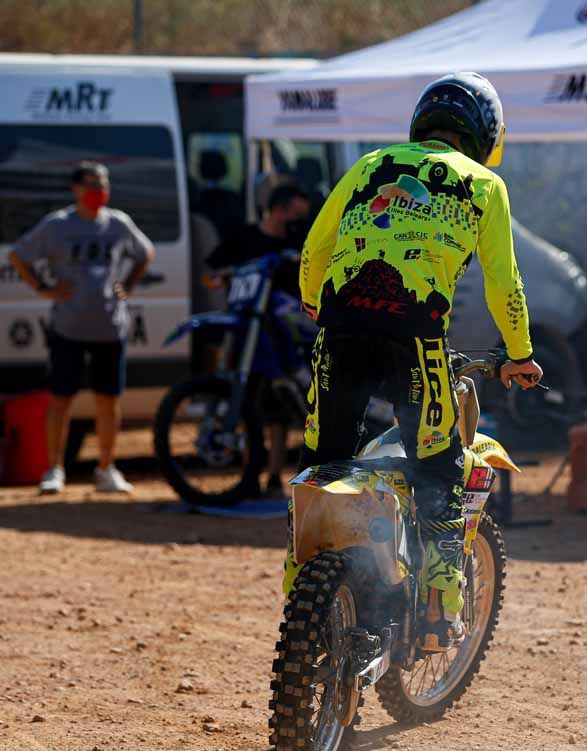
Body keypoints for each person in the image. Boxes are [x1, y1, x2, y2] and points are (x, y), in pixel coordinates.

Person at [288, 72, 543, 652]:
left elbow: (315, 251)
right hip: (414, 340)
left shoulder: (371, 164)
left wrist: (315, 303)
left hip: (340, 332)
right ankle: (438, 617)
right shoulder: (485, 183)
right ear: (484, 135)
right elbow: (506, 286)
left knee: (319, 468)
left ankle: (298, 595)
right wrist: (520, 355)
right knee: (438, 473)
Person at [9, 162, 154, 495]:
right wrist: (43, 289)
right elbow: (18, 256)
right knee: (61, 399)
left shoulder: (118, 223)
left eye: (104, 184)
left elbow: (146, 253)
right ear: (75, 188)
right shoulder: (58, 225)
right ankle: (54, 469)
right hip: (68, 327)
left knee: (108, 400)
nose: (99, 191)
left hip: (109, 327)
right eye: (92, 185)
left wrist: (128, 285)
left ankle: (106, 468)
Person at [204, 181, 314, 499]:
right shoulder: (244, 237)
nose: (298, 222)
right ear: (279, 208)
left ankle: (274, 476)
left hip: (286, 337)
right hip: (249, 337)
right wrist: (226, 276)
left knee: (279, 409)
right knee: (250, 404)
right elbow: (209, 274)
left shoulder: (298, 242)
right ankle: (251, 474)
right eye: (295, 214)